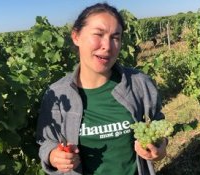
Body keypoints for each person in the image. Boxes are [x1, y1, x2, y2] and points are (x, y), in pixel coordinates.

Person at [36, 2, 168, 175]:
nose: (107, 46)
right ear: (76, 36)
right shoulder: (57, 94)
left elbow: (159, 126)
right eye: (98, 34)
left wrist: (159, 149)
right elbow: (46, 141)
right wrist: (53, 156)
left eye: (115, 37)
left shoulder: (139, 84)